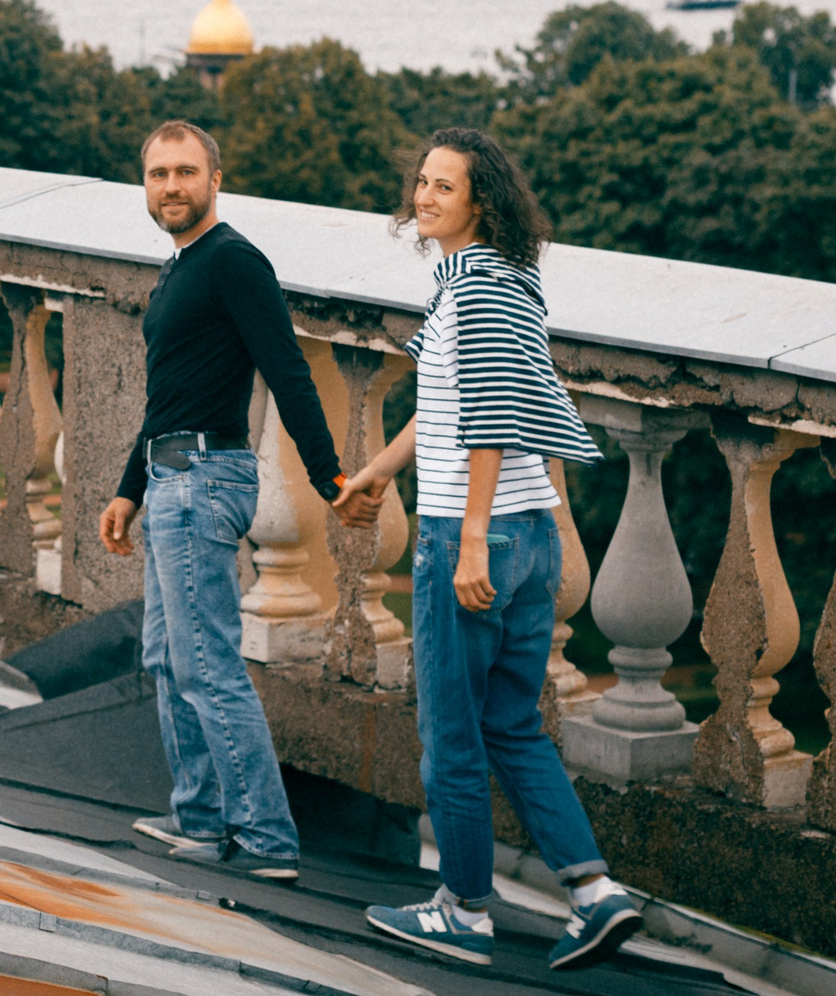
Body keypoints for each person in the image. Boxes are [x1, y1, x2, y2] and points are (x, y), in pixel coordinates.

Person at [333, 127, 643, 972]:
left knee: (453, 734)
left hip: (478, 542)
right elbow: (443, 411)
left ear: (482, 202)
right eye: (422, 183)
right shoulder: (494, 284)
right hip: (533, 537)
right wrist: (376, 473)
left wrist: (469, 542)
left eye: (444, 186)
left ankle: (463, 910)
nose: (424, 196)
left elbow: (495, 416)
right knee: (512, 726)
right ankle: (593, 893)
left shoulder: (478, 293)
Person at [99, 119, 345, 884]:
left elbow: (289, 372)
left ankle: (267, 837)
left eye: (185, 172)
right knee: (167, 656)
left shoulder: (234, 262)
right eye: (158, 174)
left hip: (206, 483)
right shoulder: (181, 269)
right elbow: (167, 396)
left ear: (214, 179)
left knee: (206, 664)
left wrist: (331, 479)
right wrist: (127, 488)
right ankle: (201, 819)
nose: (171, 187)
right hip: (170, 478)